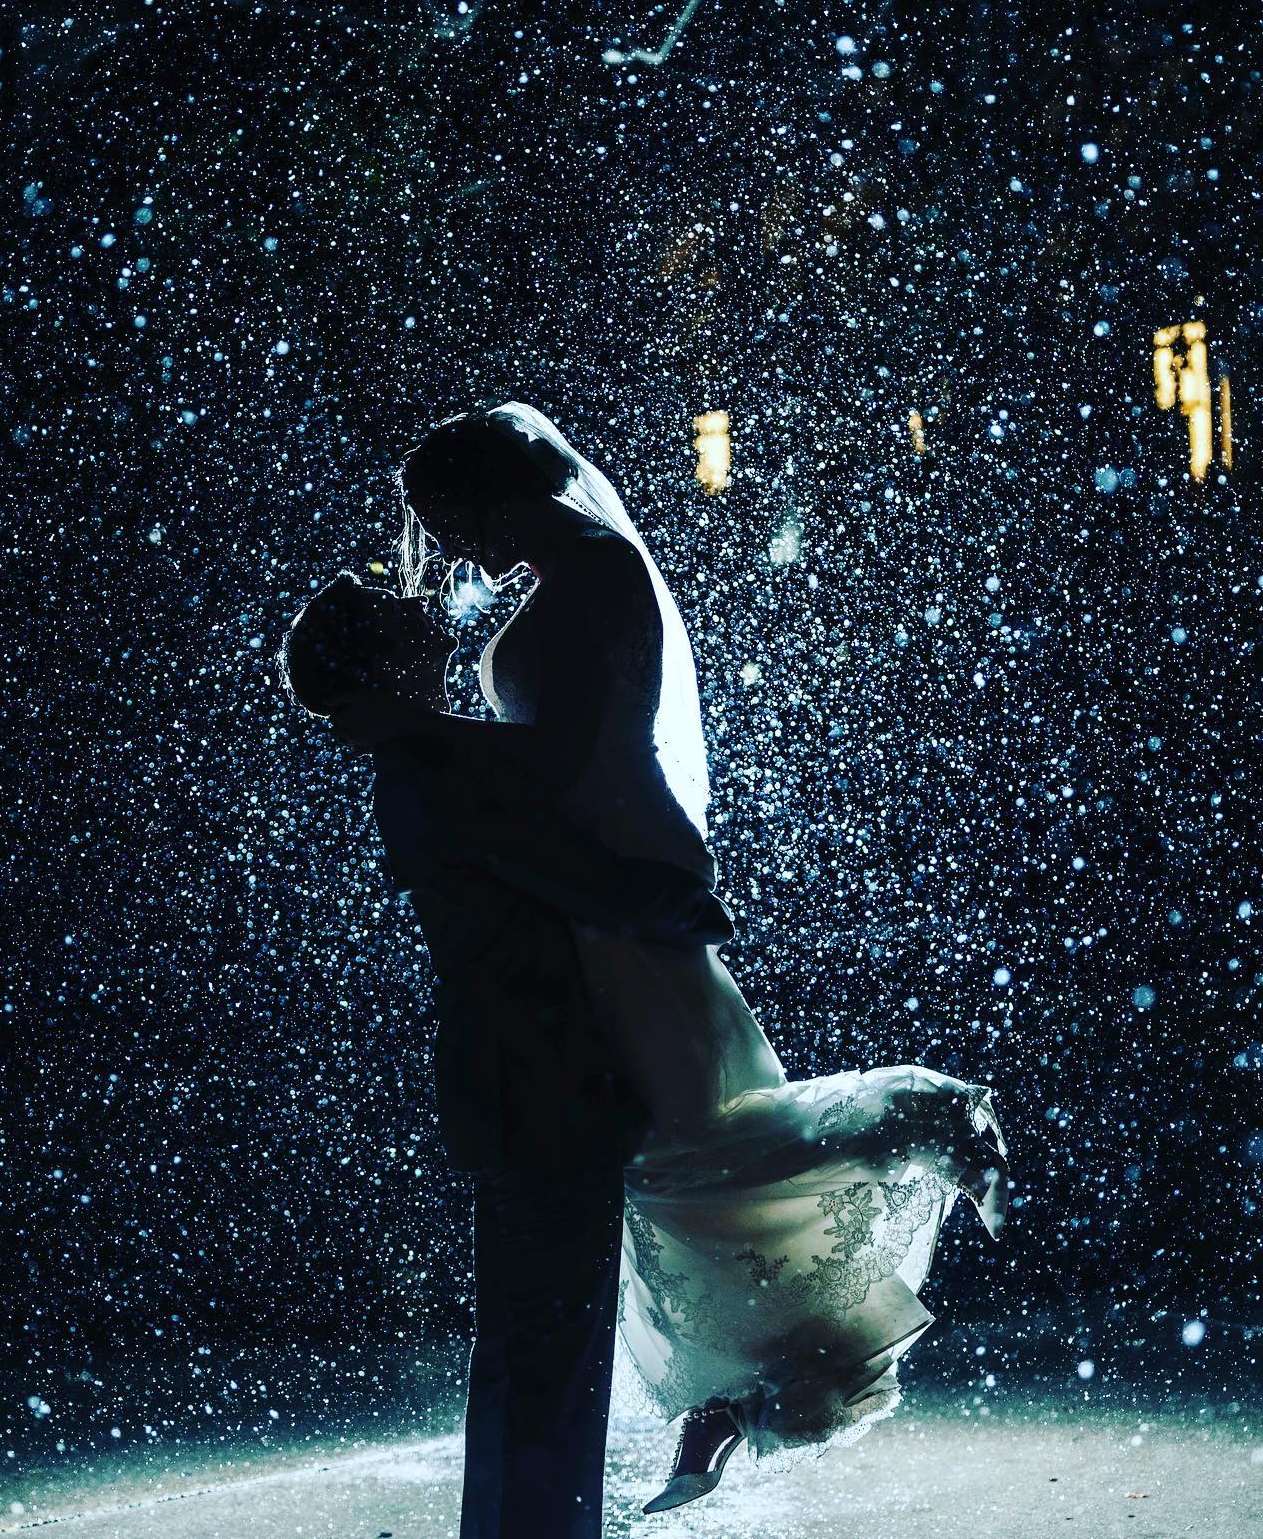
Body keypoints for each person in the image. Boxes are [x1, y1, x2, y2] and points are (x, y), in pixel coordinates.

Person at [328, 402, 1009, 1517]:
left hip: (616, 885)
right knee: (679, 1157)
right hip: (600, 882)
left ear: (493, 491)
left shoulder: (594, 571)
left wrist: (412, 727)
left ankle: (914, 1117)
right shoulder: (563, 577)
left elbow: (569, 756)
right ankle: (733, 1394)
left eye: (448, 518)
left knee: (691, 1147)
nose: (448, 548)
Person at [278, 571, 732, 1539]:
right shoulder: (430, 766)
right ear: (383, 656)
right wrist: (683, 903)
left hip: (524, 1068)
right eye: (385, 598)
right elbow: (568, 874)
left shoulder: (431, 753)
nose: (415, 593)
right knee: (548, 1357)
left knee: (538, 1350)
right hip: (536, 1070)